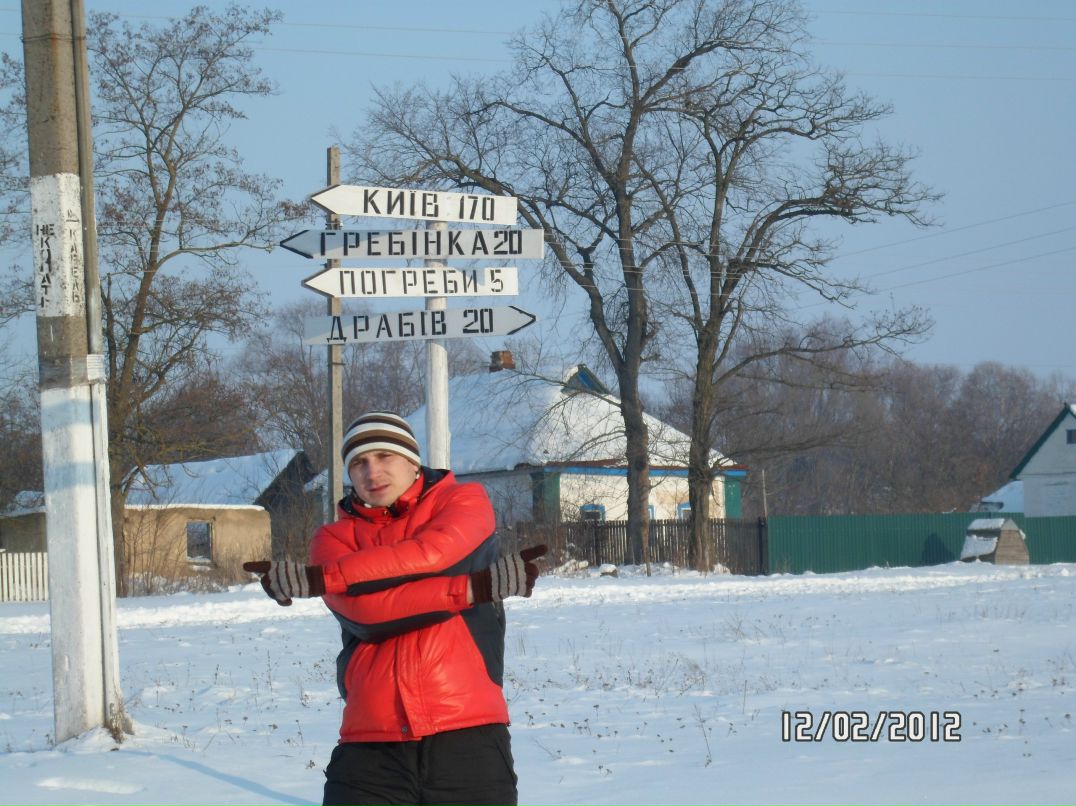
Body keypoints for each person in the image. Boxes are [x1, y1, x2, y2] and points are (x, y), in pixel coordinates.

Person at [244, 411, 546, 806]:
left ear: (412, 460)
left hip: (468, 735)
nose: (372, 471)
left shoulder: (463, 500)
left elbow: (434, 554)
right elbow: (367, 615)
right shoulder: (332, 537)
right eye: (359, 463)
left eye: (385, 456)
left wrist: (324, 579)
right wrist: (473, 589)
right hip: (370, 746)